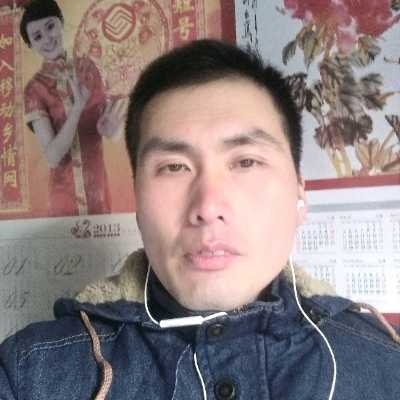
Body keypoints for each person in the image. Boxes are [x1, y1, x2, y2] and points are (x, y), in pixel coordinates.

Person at [1, 39, 399, 399]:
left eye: (246, 162)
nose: (208, 207)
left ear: (299, 192)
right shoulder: (28, 375)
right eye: (174, 167)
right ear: (137, 200)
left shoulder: (387, 366)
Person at [20, 0, 126, 216]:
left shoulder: (88, 67)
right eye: (37, 37)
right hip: (63, 199)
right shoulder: (35, 88)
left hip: (98, 190)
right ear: (31, 45)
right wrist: (77, 108)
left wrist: (114, 130)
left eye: (50, 26)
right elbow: (53, 157)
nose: (47, 39)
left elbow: (112, 128)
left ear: (61, 22)